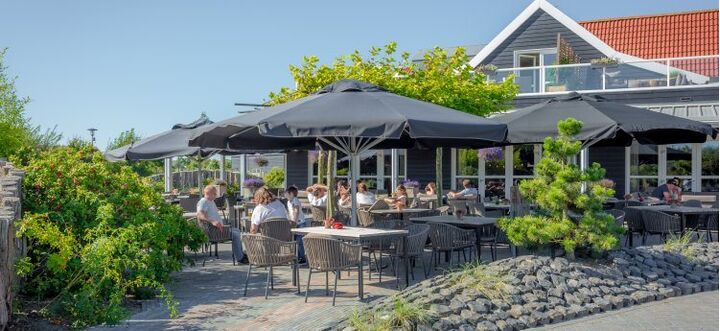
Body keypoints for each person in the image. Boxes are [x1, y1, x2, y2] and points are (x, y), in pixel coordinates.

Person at [231, 187, 288, 264]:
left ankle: (252, 258)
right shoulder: (280, 204)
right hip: (283, 238)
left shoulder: (260, 208)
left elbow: (254, 229)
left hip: (267, 239)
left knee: (247, 236)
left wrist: (250, 235)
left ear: (257, 198)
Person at [285, 186, 307, 262]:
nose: (285, 195)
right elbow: (290, 212)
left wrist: (294, 222)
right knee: (294, 241)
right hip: (294, 223)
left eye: (286, 193)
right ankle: (296, 257)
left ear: (291, 193)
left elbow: (296, 212)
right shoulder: (289, 202)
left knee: (299, 241)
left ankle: (302, 258)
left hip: (300, 223)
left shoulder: (295, 200)